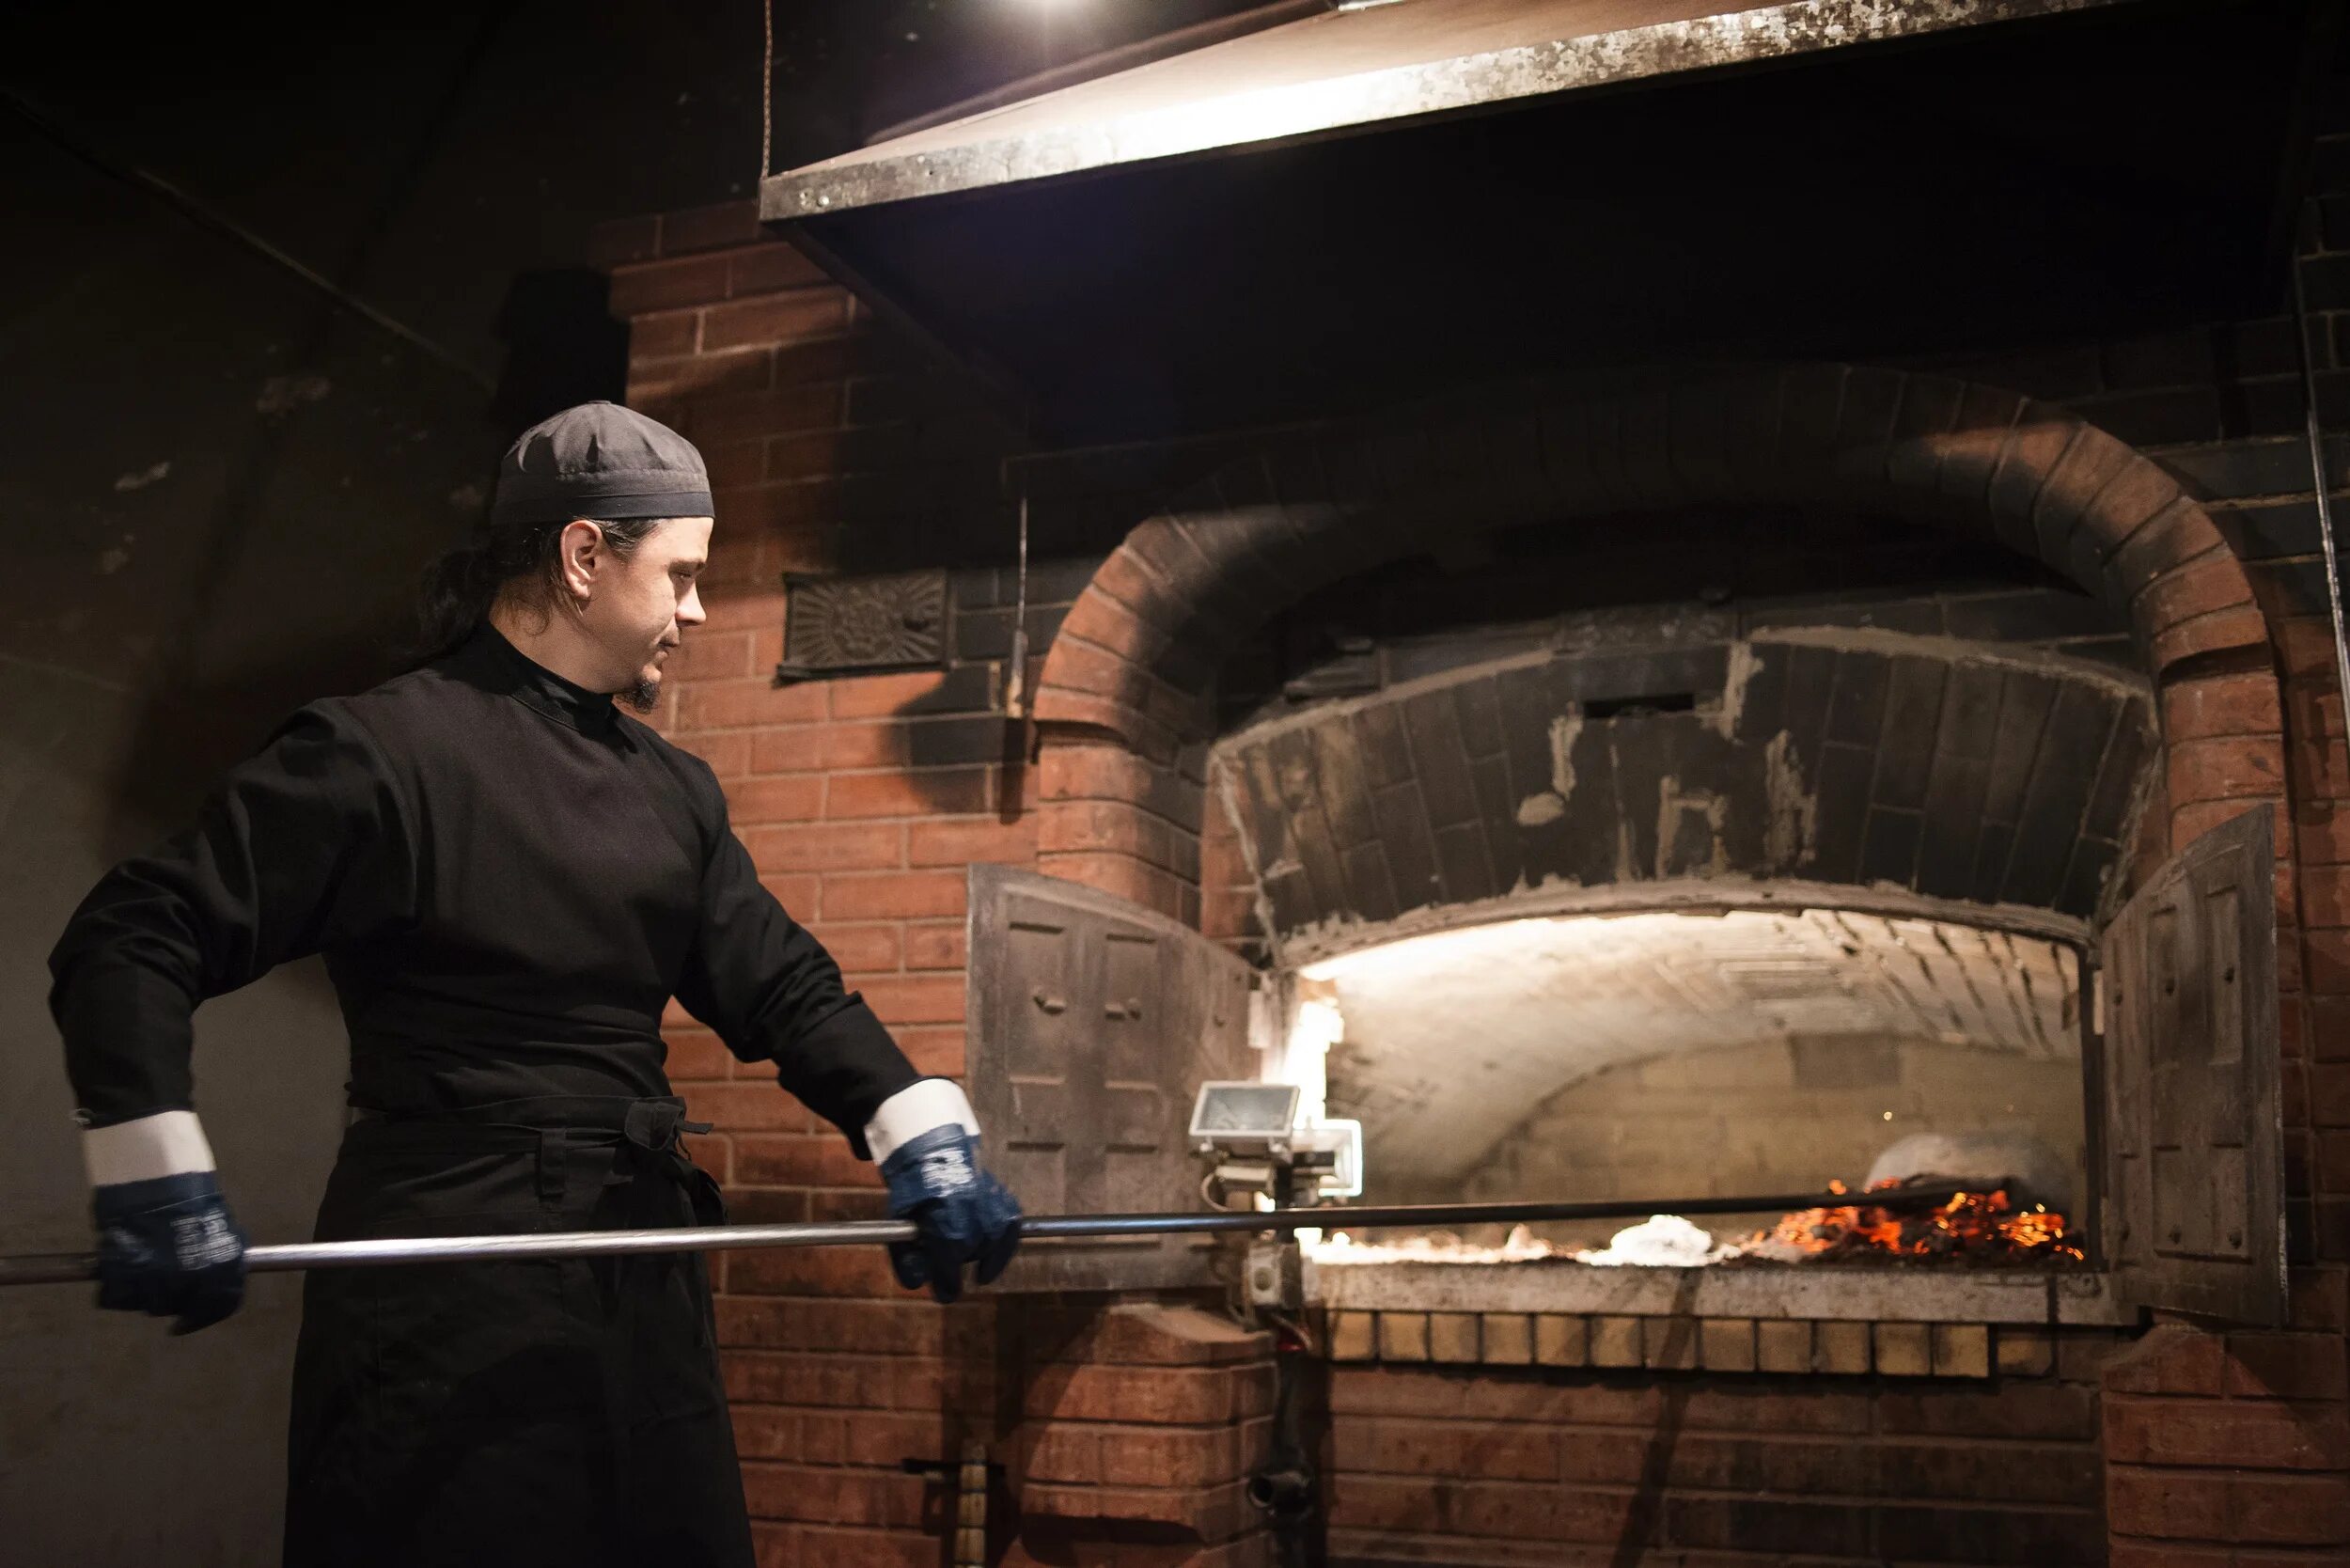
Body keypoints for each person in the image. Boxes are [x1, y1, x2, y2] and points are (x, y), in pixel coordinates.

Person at [46, 401, 1022, 1567]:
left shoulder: (673, 790)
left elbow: (783, 989)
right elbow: (134, 933)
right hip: (452, 1284)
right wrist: (150, 1155)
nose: (700, 612)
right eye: (683, 576)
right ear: (582, 557)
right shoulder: (380, 753)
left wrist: (916, 1131)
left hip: (637, 1270)